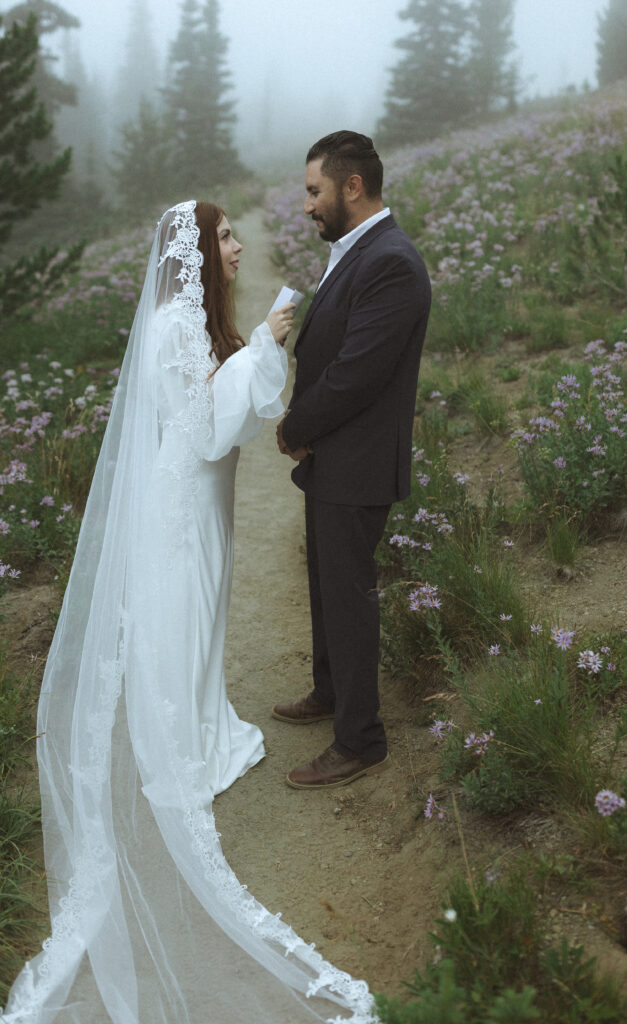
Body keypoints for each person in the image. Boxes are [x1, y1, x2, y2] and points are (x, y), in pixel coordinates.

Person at [0, 200, 378, 1024]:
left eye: (237, 235)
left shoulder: (197, 317)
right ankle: (186, 740)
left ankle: (203, 721)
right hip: (182, 496)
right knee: (185, 607)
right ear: (195, 252)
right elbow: (207, 431)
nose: (238, 247)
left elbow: (217, 415)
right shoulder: (175, 324)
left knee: (202, 615)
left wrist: (252, 350)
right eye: (226, 238)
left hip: (203, 496)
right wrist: (268, 346)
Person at [274, 131, 431, 790]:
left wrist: (294, 426)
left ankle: (360, 739)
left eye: (313, 191)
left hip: (357, 459)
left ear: (352, 187)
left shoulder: (391, 260)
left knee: (348, 596)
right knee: (326, 585)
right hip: (335, 456)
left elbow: (356, 374)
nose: (307, 206)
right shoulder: (355, 250)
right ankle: (331, 690)